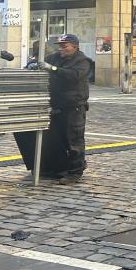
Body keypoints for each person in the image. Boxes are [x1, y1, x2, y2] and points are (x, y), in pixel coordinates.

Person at [39, 34, 92, 183]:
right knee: (58, 140)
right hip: (56, 105)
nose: (61, 49)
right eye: (59, 45)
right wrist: (35, 64)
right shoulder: (54, 57)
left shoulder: (82, 61)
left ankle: (76, 171)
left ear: (74, 47)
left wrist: (52, 68)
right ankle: (60, 168)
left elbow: (72, 75)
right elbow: (43, 63)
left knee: (74, 140)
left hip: (73, 107)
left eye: (64, 45)